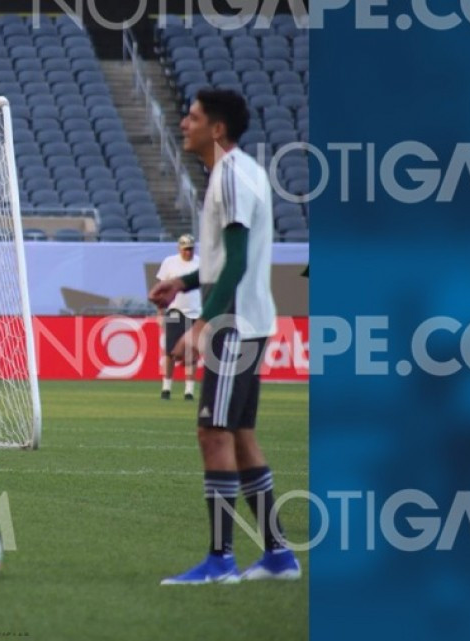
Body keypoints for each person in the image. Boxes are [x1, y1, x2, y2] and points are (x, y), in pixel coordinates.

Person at [149, 89, 300, 584]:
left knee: (212, 433)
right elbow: (226, 262)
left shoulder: (231, 176)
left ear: (217, 129)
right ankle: (278, 555)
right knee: (238, 435)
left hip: (233, 327)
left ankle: (220, 562)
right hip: (246, 321)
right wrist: (184, 283)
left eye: (192, 117)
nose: (183, 124)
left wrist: (200, 324)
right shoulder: (236, 173)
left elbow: (236, 264)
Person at [155, 234, 201, 401]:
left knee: (192, 352)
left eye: (190, 249)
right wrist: (160, 312)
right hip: (175, 310)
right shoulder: (170, 262)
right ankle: (166, 387)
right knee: (170, 350)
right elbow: (161, 288)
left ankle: (189, 390)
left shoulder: (200, 262)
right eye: (185, 249)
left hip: (195, 311)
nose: (188, 252)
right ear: (179, 248)